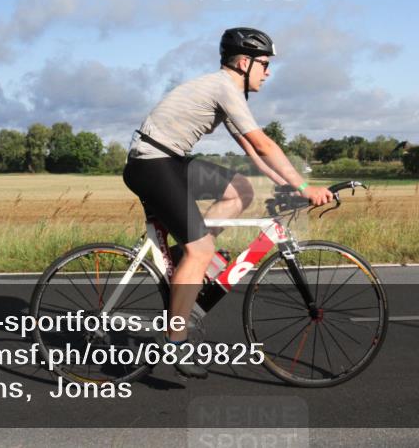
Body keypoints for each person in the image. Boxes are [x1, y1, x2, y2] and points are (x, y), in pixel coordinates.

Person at [122, 27, 333, 378]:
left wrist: (290, 185)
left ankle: (188, 259)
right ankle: (176, 340)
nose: (268, 72)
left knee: (240, 189)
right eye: (264, 64)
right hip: (152, 163)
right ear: (243, 63)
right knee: (201, 250)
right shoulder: (224, 87)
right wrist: (305, 186)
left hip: (168, 159)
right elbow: (263, 143)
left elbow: (253, 152)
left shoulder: (228, 91)